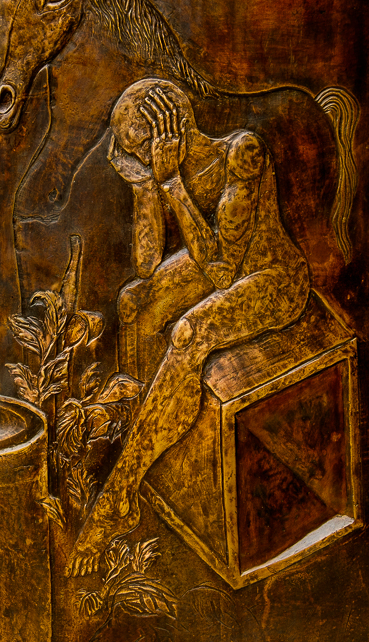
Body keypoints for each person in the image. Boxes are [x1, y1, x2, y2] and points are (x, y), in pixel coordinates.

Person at [66, 78, 310, 577]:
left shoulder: (242, 154)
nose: (139, 157)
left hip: (274, 281)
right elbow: (146, 264)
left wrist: (172, 183)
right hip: (217, 262)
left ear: (170, 128)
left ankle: (122, 488)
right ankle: (146, 432)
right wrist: (144, 185)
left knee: (189, 332)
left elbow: (222, 271)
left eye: (141, 146)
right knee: (133, 302)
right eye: (132, 151)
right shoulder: (161, 171)